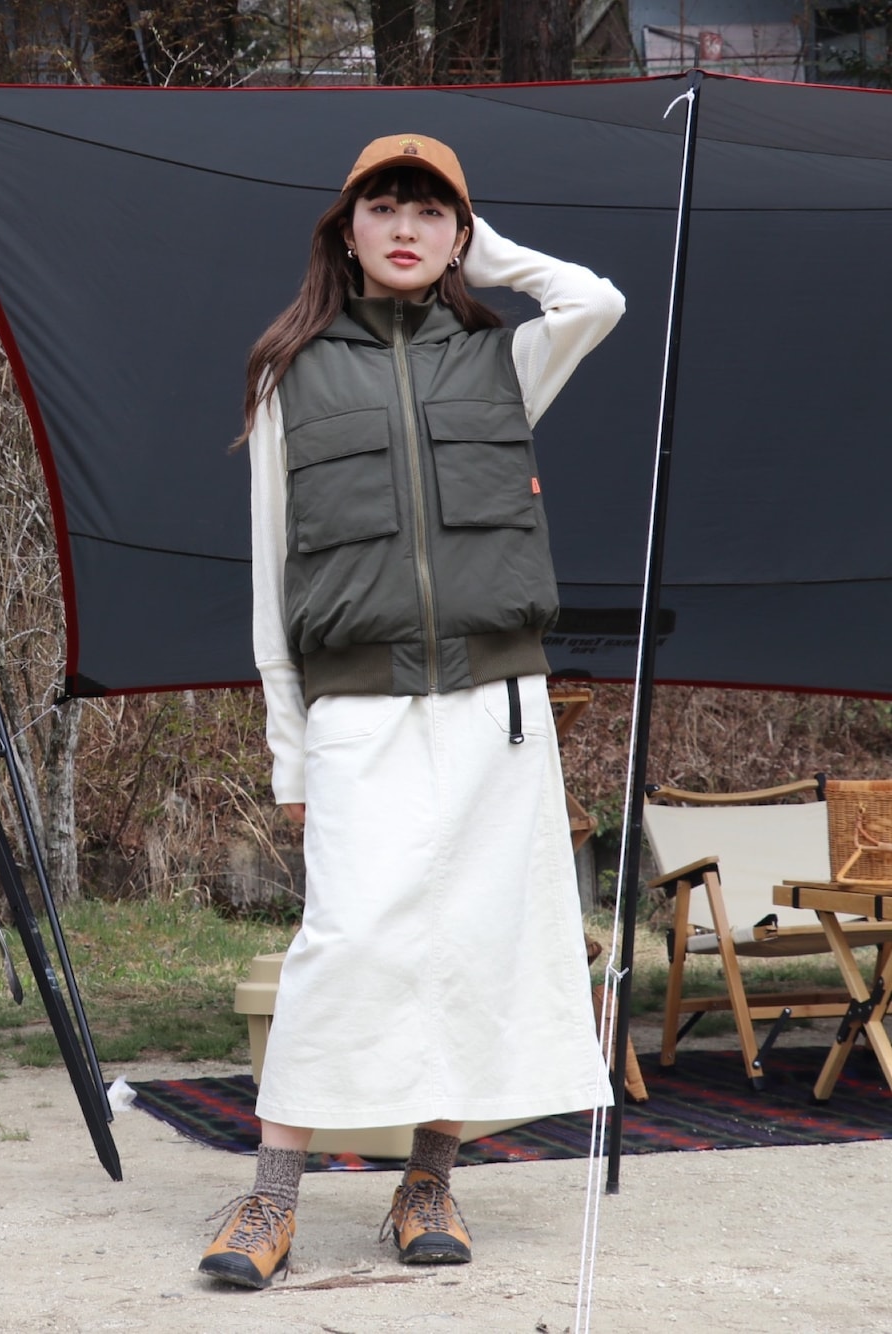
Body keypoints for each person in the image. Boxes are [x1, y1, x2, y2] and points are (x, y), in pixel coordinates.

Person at [198, 133, 626, 1290]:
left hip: (496, 709)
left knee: (476, 939)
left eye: (430, 211)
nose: (404, 227)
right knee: (342, 940)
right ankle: (270, 1194)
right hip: (358, 706)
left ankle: (428, 1181)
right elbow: (270, 583)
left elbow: (595, 300)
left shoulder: (504, 359)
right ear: (345, 230)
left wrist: (492, 256)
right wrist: (291, 755)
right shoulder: (286, 374)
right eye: (383, 206)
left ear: (459, 235)